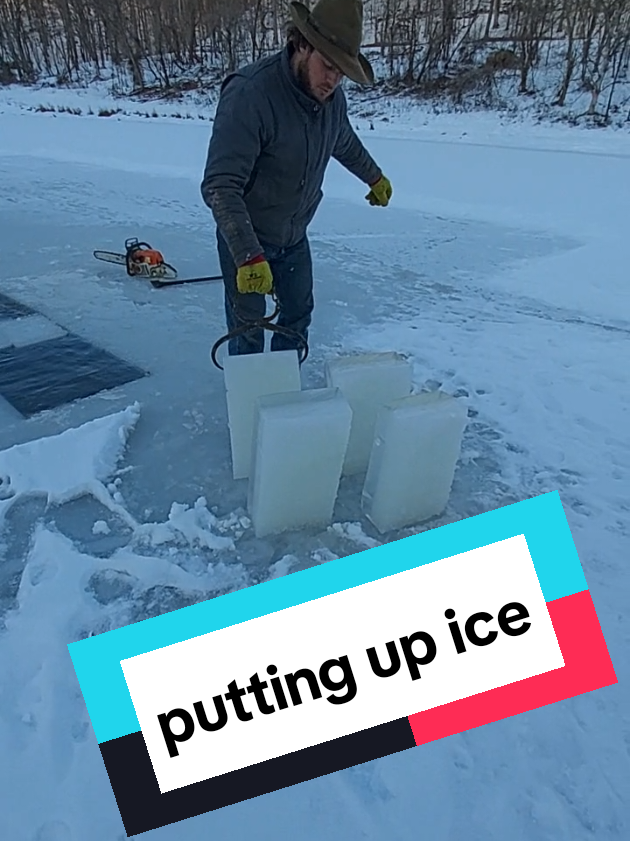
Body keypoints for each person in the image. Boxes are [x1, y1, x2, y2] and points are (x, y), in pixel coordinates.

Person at [200, 0, 392, 357]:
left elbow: (343, 140)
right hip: (248, 235)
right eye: (328, 66)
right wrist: (247, 254)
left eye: (341, 72)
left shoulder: (330, 98)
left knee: (298, 317)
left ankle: (284, 400)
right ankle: (252, 404)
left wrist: (374, 176)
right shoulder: (251, 94)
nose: (333, 80)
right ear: (302, 44)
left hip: (294, 234)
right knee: (249, 328)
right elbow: (220, 185)